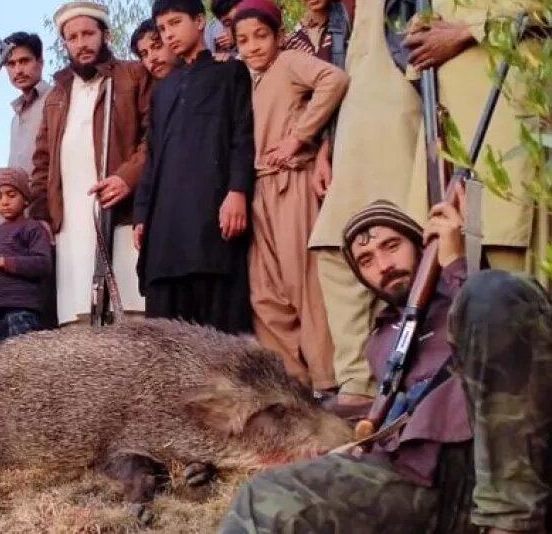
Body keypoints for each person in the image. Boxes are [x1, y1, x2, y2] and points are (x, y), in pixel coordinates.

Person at [219, 197, 552, 534]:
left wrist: (455, 266)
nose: (383, 264)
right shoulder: (381, 340)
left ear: (423, 245)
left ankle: (512, 526)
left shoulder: (483, 291)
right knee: (262, 498)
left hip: (499, 468)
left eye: (392, 246)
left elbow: (500, 325)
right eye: (366, 260)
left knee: (489, 291)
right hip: (420, 478)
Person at [309, 0, 422, 418]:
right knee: (334, 246)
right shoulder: (346, 2)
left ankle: (412, 379)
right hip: (352, 138)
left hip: (400, 131)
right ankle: (357, 383)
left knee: (405, 247)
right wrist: (327, 148)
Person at [387, 0, 535, 274]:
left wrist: (464, 30)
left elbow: (540, 1)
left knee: (514, 267)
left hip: (508, 123)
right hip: (453, 139)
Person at [232, 0, 348, 394]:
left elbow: (334, 80)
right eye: (243, 40)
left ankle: (327, 380)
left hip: (291, 182)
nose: (253, 47)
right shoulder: (245, 79)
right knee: (264, 292)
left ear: (279, 35)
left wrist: (300, 137)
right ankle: (290, 383)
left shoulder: (288, 63)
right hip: (258, 190)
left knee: (304, 281)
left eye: (261, 36)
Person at [132, 0, 254, 330]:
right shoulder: (163, 91)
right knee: (165, 341)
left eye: (175, 22)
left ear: (199, 21)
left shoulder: (230, 73)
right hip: (166, 230)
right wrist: (142, 213)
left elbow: (242, 136)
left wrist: (238, 191)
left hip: (213, 219)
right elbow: (152, 155)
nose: (169, 34)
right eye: (163, 28)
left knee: (220, 339)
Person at [30, 0, 152, 325]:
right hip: (71, 230)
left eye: (88, 33)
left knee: (133, 325)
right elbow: (41, 163)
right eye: (73, 37)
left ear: (105, 34)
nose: (81, 43)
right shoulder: (56, 96)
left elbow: (155, 137)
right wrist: (41, 216)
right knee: (80, 331)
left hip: (122, 219)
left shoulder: (133, 76)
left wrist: (127, 177)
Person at [0, 167, 52, 350]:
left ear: (25, 199)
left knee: (23, 367)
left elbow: (42, 264)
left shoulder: (32, 228)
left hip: (22, 311)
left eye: (11, 195)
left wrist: (4, 262)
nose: (4, 202)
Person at [3, 32, 51, 175]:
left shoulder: (56, 100)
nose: (18, 70)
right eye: (11, 64)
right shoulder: (15, 118)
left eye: (24, 61)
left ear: (40, 62)